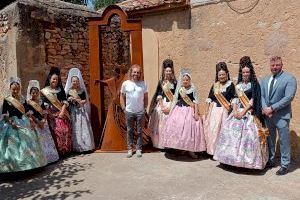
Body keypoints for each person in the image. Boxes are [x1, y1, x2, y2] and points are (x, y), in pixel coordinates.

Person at [214, 56, 268, 169]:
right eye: (243, 72)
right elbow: (235, 99)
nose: (245, 74)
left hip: (248, 113)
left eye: (247, 72)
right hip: (237, 111)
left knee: (248, 136)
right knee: (229, 132)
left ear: (251, 72)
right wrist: (234, 111)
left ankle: (247, 162)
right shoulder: (238, 85)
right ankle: (230, 160)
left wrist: (243, 112)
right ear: (241, 73)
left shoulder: (254, 85)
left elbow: (253, 100)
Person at [0, 77, 46, 173]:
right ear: (10, 88)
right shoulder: (7, 99)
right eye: (13, 89)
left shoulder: (22, 99)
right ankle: (12, 166)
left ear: (20, 88)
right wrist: (11, 122)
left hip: (23, 121)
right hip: (11, 122)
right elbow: (4, 114)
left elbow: (27, 113)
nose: (15, 91)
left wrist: (31, 121)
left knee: (30, 138)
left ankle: (31, 165)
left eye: (17, 89)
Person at [261, 56, 297, 175]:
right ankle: (270, 160)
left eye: (277, 65)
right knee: (269, 139)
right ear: (270, 66)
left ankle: (285, 164)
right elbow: (261, 95)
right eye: (272, 65)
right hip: (268, 116)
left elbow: (288, 97)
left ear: (282, 65)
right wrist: (265, 109)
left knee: (284, 141)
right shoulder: (265, 79)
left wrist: (272, 108)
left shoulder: (289, 78)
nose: (275, 67)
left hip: (281, 116)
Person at [162, 69, 206, 158]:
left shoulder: (193, 89)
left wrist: (196, 113)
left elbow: (196, 101)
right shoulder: (180, 89)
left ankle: (190, 150)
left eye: (187, 80)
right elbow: (175, 100)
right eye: (183, 80)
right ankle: (179, 148)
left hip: (189, 110)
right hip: (179, 109)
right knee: (177, 127)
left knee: (189, 130)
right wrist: (171, 110)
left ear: (190, 80)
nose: (185, 81)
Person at [203, 62, 236, 156]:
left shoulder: (230, 85)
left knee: (222, 131)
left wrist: (231, 107)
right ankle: (212, 151)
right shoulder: (215, 85)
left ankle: (221, 153)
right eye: (219, 75)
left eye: (223, 74)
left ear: (227, 74)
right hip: (214, 111)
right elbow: (209, 98)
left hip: (224, 111)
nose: (221, 76)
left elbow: (234, 97)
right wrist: (206, 110)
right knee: (213, 131)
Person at [41, 67, 72, 157]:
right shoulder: (45, 91)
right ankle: (57, 151)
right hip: (50, 114)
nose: (55, 81)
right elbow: (44, 104)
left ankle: (65, 150)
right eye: (53, 79)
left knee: (65, 129)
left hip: (60, 112)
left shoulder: (60, 90)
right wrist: (50, 114)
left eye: (57, 79)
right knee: (55, 130)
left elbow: (65, 102)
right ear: (50, 79)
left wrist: (62, 112)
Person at [26, 80, 59, 164]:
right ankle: (42, 159)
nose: (35, 94)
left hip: (43, 123)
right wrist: (37, 122)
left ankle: (50, 157)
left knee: (47, 140)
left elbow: (45, 112)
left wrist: (44, 120)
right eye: (33, 93)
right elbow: (29, 114)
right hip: (35, 123)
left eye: (36, 93)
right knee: (39, 140)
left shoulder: (41, 102)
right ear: (30, 93)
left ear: (38, 93)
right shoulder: (28, 103)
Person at [120, 64, 148, 158]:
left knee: (139, 131)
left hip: (140, 111)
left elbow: (146, 97)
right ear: (131, 72)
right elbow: (121, 96)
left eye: (138, 72)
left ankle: (139, 149)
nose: (136, 74)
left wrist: (144, 108)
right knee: (130, 130)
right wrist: (124, 108)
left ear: (140, 74)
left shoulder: (143, 84)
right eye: (134, 72)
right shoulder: (125, 83)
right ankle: (130, 149)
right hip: (129, 111)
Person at [65, 67, 95, 153]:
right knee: (75, 128)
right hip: (73, 111)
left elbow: (85, 100)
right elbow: (66, 101)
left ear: (79, 82)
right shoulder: (69, 91)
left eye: (76, 81)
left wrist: (80, 101)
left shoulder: (82, 91)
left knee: (83, 127)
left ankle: (86, 147)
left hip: (81, 110)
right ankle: (76, 147)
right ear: (71, 82)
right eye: (73, 81)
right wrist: (70, 99)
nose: (75, 82)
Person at [149, 59, 177, 149]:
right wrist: (162, 107)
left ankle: (171, 144)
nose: (168, 72)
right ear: (164, 71)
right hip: (163, 103)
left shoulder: (175, 83)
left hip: (172, 104)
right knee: (160, 124)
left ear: (172, 71)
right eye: (166, 71)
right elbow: (159, 94)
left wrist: (170, 108)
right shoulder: (161, 82)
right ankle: (162, 144)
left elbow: (177, 96)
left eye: (169, 71)